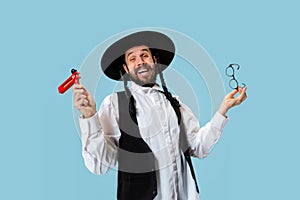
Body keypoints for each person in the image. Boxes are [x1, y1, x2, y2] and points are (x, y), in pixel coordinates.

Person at [73, 31, 247, 200]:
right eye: (132, 59)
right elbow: (99, 165)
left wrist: (222, 110)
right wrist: (89, 117)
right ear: (126, 68)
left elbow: (198, 147)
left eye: (144, 55)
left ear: (154, 60)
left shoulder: (175, 104)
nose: (140, 62)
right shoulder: (114, 105)